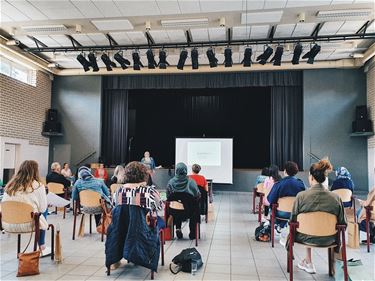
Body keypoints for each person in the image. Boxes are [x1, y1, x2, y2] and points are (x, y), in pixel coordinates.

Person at [290, 159, 346, 274]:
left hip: (305, 237)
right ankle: (328, 268)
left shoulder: (301, 196)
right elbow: (343, 223)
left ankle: (307, 261)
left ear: (311, 177)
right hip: (330, 238)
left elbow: (293, 220)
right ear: (325, 178)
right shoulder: (336, 198)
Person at [2, 160, 51, 256]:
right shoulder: (38, 185)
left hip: (7, 223)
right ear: (35, 171)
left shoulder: (10, 185)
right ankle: (41, 245)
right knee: (44, 211)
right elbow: (42, 209)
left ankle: (41, 245)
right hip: (28, 223)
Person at [167, 162, 200, 240]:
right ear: (185, 170)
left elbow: (168, 196)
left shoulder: (171, 182)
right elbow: (197, 195)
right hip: (189, 211)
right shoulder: (191, 181)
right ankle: (192, 233)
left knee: (178, 204)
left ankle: (178, 228)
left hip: (173, 211)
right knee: (193, 208)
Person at [267, 161, 305, 227]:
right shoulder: (301, 184)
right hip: (296, 213)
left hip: (281, 213)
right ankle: (283, 227)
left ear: (285, 171)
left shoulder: (279, 184)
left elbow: (270, 199)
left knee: (273, 207)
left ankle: (278, 226)